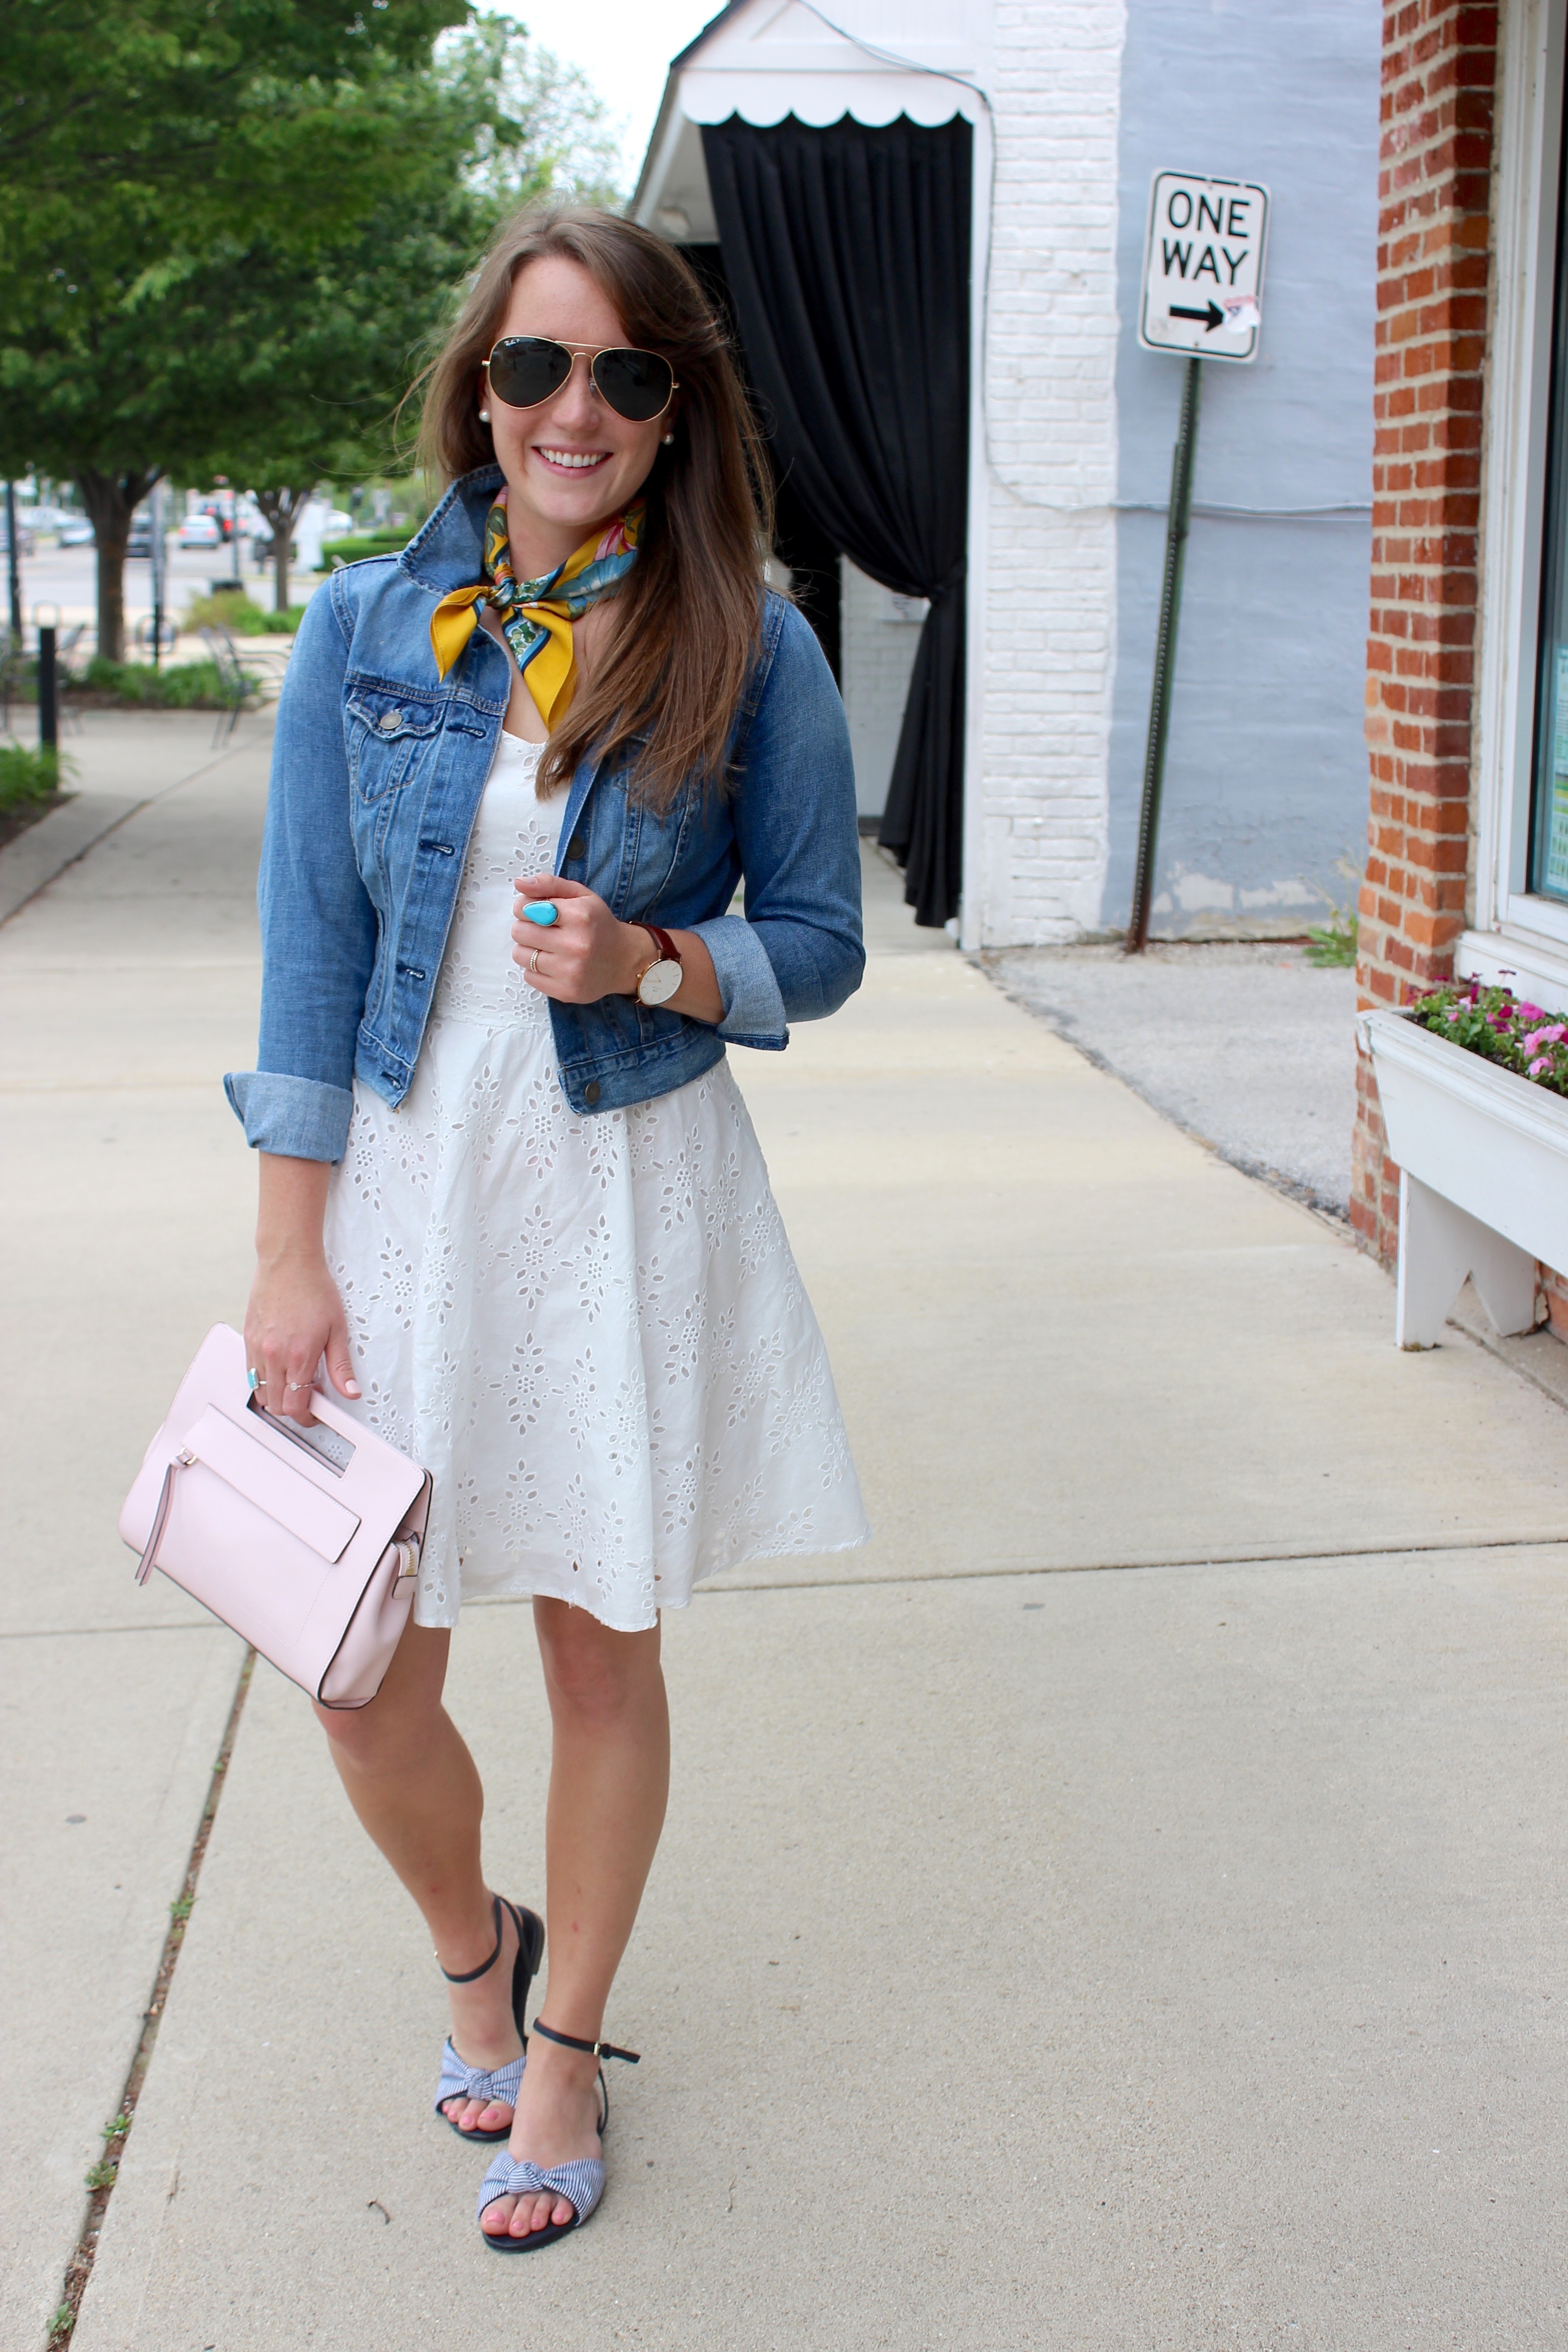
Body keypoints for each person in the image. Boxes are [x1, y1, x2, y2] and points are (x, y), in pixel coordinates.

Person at [224, 205, 868, 2254]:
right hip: (411, 1194)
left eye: (621, 375)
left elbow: (824, 946)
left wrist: (657, 960)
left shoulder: (751, 644)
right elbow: (309, 965)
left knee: (600, 1647)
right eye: (533, 368)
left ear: (677, 416)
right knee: (351, 1667)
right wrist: (285, 1251)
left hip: (616, 1183)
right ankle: (470, 1951)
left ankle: (570, 2048)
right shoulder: (363, 632)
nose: (570, 410)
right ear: (476, 395)